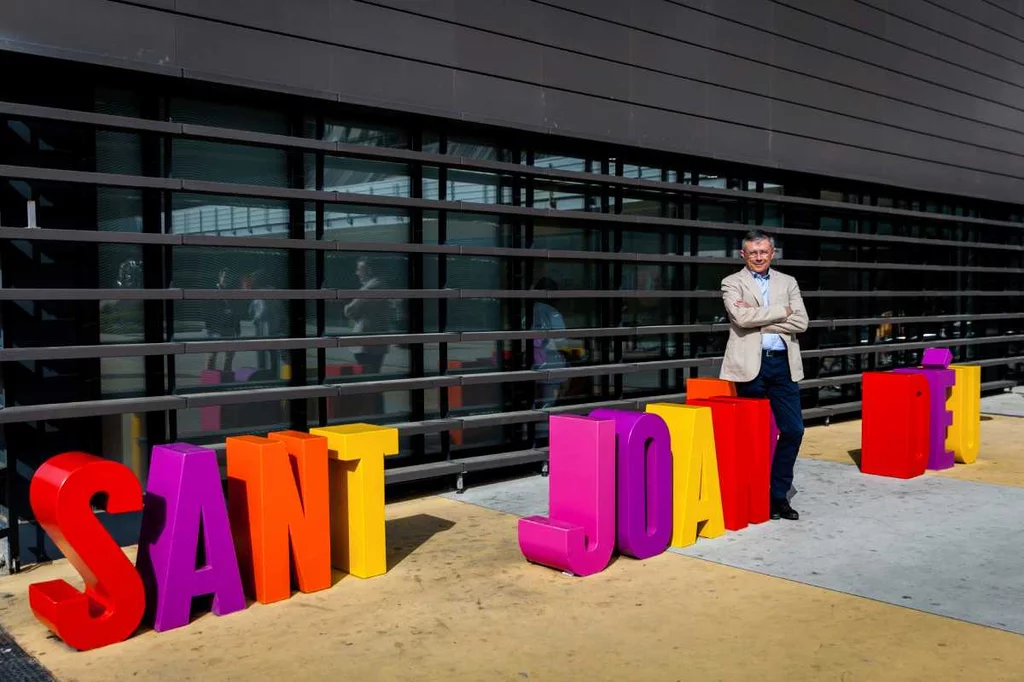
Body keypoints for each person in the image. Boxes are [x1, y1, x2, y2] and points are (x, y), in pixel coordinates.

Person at [719, 230, 809, 521]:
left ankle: (778, 496)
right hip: (750, 367)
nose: (759, 257)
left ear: (773, 253)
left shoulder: (788, 282)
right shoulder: (732, 282)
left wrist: (761, 317)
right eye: (753, 252)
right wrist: (782, 312)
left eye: (764, 252)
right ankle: (754, 495)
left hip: (783, 366)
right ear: (743, 255)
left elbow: (802, 321)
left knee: (793, 430)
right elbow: (740, 318)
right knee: (753, 437)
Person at [343, 257, 391, 374]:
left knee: (367, 375)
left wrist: (348, 309)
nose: (357, 273)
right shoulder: (379, 284)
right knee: (372, 374)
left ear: (369, 270)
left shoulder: (373, 286)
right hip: (375, 342)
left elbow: (350, 310)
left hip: (367, 344)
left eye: (360, 269)